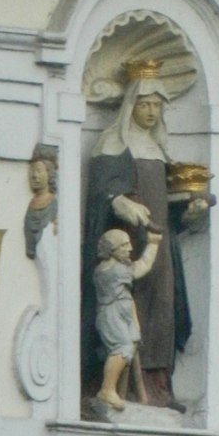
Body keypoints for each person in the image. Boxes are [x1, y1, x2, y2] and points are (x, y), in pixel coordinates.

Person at [82, 59, 207, 411]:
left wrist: (189, 210)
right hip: (126, 244)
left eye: (157, 105)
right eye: (145, 104)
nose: (152, 111)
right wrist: (120, 202)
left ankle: (156, 387)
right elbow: (100, 195)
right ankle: (115, 386)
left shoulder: (159, 148)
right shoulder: (112, 143)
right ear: (131, 105)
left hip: (160, 245)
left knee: (162, 310)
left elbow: (167, 204)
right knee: (127, 311)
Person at [93, 227, 162, 410]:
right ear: (112, 249)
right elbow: (143, 266)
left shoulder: (108, 268)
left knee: (128, 347)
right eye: (124, 245)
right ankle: (107, 389)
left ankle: (120, 392)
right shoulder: (115, 271)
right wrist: (153, 244)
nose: (130, 248)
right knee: (122, 347)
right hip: (113, 315)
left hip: (121, 314)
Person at [23, 149, 58, 259]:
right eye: (32, 171)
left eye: (39, 171)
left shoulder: (53, 203)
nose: (34, 175)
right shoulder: (31, 204)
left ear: (49, 174)